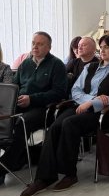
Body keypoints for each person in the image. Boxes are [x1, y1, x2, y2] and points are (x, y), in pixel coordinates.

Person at [19, 33, 109, 196]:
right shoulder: (90, 67)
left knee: (69, 124)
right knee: (55, 127)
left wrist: (92, 104)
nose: (102, 50)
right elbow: (75, 90)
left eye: (107, 47)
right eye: (101, 47)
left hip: (102, 113)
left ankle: (70, 174)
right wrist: (92, 100)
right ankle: (44, 178)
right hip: (80, 106)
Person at [0, 32, 67, 185]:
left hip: (42, 108)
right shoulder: (26, 64)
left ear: (49, 47)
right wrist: (13, 100)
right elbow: (14, 86)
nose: (35, 47)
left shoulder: (56, 65)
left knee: (20, 123)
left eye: (40, 44)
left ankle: (4, 166)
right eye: (33, 43)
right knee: (3, 120)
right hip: (19, 104)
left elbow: (59, 93)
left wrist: (32, 99)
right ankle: (17, 158)